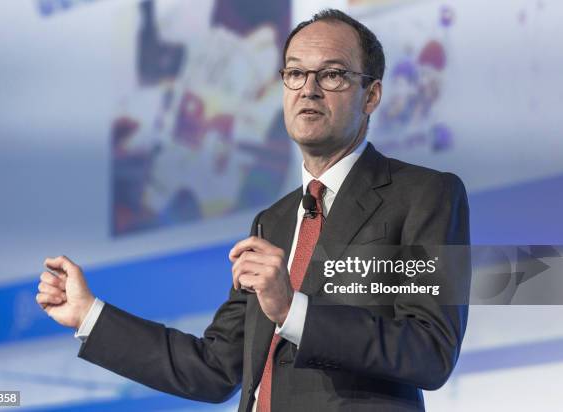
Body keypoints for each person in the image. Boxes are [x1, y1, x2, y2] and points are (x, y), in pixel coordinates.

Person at [36, 9, 470, 412]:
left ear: (371, 94)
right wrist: (89, 313)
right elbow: (213, 368)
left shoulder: (424, 194)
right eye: (295, 73)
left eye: (333, 75)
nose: (309, 89)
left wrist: (292, 311)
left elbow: (429, 350)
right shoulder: (272, 222)